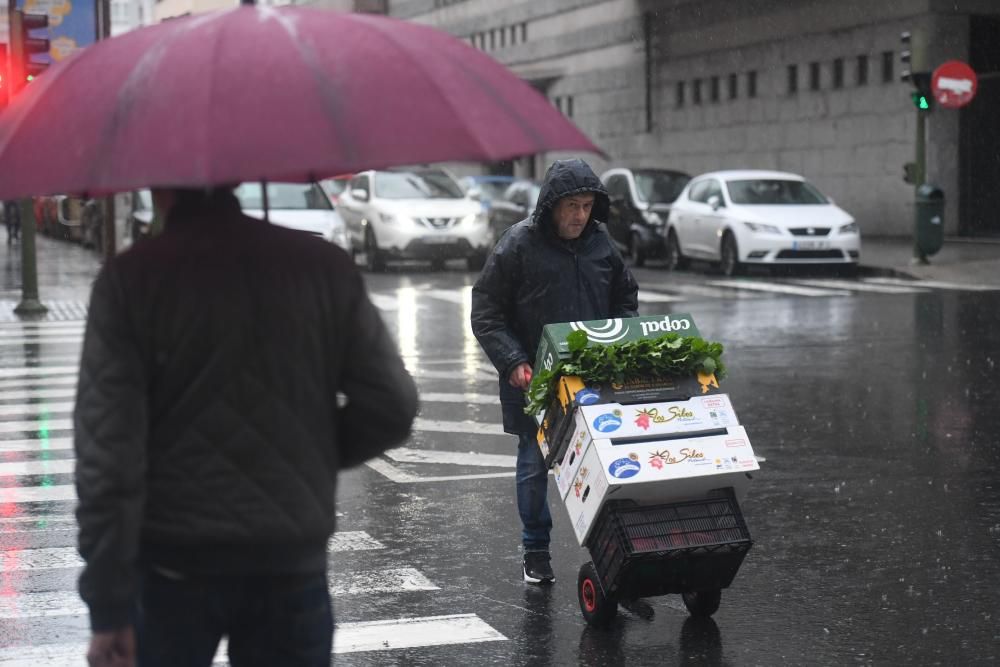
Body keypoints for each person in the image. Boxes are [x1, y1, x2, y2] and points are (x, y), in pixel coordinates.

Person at [74, 186, 419, 667]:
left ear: (159, 186)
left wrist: (108, 606)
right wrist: (308, 453)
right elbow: (393, 404)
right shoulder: (321, 267)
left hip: (173, 565)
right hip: (289, 560)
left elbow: (107, 456)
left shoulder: (129, 280)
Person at [470, 158, 639, 585]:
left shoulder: (601, 244)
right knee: (533, 463)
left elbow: (625, 297)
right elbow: (486, 311)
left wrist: (618, 340)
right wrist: (513, 361)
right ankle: (535, 550)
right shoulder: (518, 245)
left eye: (586, 207)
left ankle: (612, 550)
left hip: (594, 377)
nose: (579, 216)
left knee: (607, 463)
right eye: (571, 207)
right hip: (535, 380)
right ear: (551, 206)